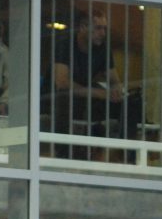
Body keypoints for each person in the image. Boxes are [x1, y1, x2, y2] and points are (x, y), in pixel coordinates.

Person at [52, 9, 143, 157]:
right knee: (64, 99)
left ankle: (127, 155)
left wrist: (118, 93)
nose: (103, 33)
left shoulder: (102, 49)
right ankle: (63, 154)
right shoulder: (65, 44)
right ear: (83, 27)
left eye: (104, 29)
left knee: (129, 105)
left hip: (87, 99)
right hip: (58, 99)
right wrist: (100, 93)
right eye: (98, 28)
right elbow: (62, 82)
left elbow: (114, 81)